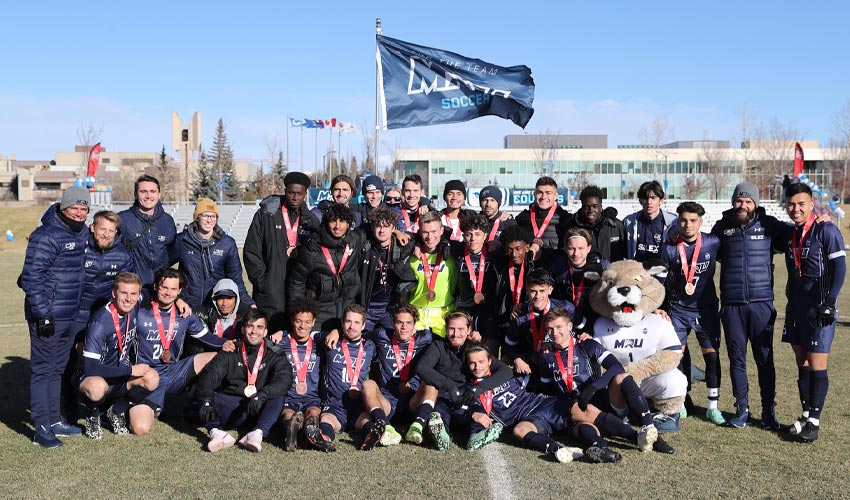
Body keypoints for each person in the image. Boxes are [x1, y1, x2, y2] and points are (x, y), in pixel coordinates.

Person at [710, 182, 795, 429]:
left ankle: (769, 412)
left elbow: (800, 231)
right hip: (732, 305)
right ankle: (742, 409)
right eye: (739, 200)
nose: (743, 205)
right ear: (733, 202)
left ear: (755, 203)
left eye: (748, 201)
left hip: (761, 305)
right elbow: (702, 248)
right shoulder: (721, 227)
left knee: (764, 359)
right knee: (737, 359)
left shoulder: (770, 225)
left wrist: (819, 220)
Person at [539, 307, 669, 455]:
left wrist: (593, 388)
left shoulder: (587, 344)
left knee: (622, 377)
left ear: (569, 326)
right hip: (577, 411)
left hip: (604, 401)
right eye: (550, 329)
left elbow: (616, 366)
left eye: (558, 327)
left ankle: (649, 427)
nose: (554, 333)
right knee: (584, 428)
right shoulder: (546, 356)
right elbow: (547, 390)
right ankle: (618, 443)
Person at [20, 186, 90, 447]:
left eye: (84, 209)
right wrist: (42, 314)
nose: (80, 213)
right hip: (48, 317)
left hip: (69, 315)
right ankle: (41, 429)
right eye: (75, 208)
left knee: (57, 370)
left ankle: (54, 420)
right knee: (42, 370)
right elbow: (31, 277)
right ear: (64, 208)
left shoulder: (82, 232)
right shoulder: (46, 235)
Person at [781, 183, 845, 442]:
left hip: (820, 308)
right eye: (791, 204)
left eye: (801, 204)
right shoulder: (790, 234)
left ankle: (815, 422)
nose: (796, 209)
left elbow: (840, 268)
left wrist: (829, 301)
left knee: (818, 364)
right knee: (802, 362)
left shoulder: (826, 229)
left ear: (812, 204)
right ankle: (806, 414)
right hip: (795, 308)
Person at [130, 268, 227, 435]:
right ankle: (139, 403)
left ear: (180, 291)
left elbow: (207, 337)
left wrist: (230, 343)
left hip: (173, 372)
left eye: (173, 289)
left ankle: (196, 400)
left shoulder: (185, 314)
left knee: (217, 357)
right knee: (140, 428)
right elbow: (133, 293)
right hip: (145, 376)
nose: (168, 293)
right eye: (164, 287)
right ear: (155, 286)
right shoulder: (140, 309)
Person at [64, 210, 135, 423]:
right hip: (76, 316)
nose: (106, 234)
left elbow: (129, 285)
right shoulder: (79, 247)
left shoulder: (123, 254)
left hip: (105, 319)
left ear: (116, 232)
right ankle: (69, 412)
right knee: (69, 364)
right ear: (92, 228)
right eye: (102, 229)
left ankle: (101, 409)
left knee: (104, 361)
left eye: (110, 230)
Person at [660, 202, 725, 425]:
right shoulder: (669, 248)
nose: (688, 225)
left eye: (693, 220)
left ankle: (712, 407)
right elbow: (661, 281)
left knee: (711, 354)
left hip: (705, 309)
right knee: (677, 356)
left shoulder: (712, 242)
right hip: (678, 310)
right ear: (678, 222)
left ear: (701, 221)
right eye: (684, 220)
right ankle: (681, 403)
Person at [197, 309, 293, 452]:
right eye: (250, 326)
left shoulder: (275, 353)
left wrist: (263, 394)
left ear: (266, 331)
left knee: (278, 394)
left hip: (258, 406)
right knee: (202, 395)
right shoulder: (231, 349)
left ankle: (257, 434)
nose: (254, 331)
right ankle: (217, 433)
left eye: (259, 327)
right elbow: (210, 375)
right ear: (243, 329)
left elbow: (284, 379)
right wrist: (206, 399)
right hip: (233, 406)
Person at [77, 273, 159, 440]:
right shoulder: (100, 322)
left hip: (120, 375)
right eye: (124, 293)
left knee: (152, 378)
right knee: (96, 387)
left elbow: (154, 289)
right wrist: (130, 369)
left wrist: (179, 301)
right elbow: (90, 367)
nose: (129, 299)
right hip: (95, 376)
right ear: (114, 293)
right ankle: (93, 415)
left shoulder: (134, 304)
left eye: (133, 294)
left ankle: (116, 411)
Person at [415, 311, 512, 451]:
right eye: (451, 329)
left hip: (469, 396)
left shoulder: (473, 348)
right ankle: (442, 435)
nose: (455, 334)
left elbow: (506, 371)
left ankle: (476, 436)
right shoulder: (438, 346)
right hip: (445, 396)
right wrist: (449, 386)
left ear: (469, 330)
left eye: (461, 329)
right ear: (446, 329)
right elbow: (421, 367)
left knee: (477, 411)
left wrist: (478, 388)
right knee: (440, 411)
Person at [244, 171, 320, 332]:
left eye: (299, 194)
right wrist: (262, 282)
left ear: (305, 194)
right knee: (270, 336)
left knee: (294, 336)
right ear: (285, 191)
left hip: (299, 290)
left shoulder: (311, 222)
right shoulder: (266, 215)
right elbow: (252, 251)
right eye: (291, 193)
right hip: (271, 290)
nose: (295, 197)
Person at [312, 305, 383, 451]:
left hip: (359, 404)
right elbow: (310, 334)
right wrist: (333, 331)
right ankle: (324, 439)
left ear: (363, 325)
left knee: (366, 421)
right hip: (335, 404)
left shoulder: (370, 346)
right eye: (348, 321)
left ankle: (371, 436)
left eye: (357, 323)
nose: (352, 327)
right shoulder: (330, 340)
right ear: (342, 323)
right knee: (326, 420)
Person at [289, 203, 366, 330]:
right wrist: (298, 313)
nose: (337, 226)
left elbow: (377, 230)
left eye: (342, 221)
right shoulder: (312, 248)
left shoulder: (355, 240)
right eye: (333, 221)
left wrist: (398, 233)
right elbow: (296, 282)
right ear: (326, 223)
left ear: (348, 224)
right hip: (319, 315)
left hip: (346, 315)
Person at [175, 198, 254, 311]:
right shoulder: (182, 240)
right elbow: (163, 269)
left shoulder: (227, 243)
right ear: (197, 218)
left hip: (216, 306)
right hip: (187, 306)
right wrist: (176, 298)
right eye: (205, 215)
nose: (209, 220)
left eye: (213, 216)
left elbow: (235, 278)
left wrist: (247, 301)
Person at [272, 297, 328, 452]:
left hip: (311, 396)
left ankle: (310, 430)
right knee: (287, 414)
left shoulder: (318, 343)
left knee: (313, 412)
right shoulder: (281, 342)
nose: (303, 326)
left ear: (314, 321)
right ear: (292, 320)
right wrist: (281, 333)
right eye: (298, 321)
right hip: (288, 395)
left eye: (307, 322)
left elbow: (332, 336)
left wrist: (335, 331)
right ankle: (291, 431)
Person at [504, 269, 580, 378]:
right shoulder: (519, 315)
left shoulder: (566, 307)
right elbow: (508, 346)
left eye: (542, 290)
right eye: (533, 291)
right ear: (527, 290)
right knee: (505, 363)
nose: (537, 296)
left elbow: (583, 327)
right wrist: (517, 358)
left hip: (564, 357)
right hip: (531, 360)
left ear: (550, 289)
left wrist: (585, 334)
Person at [359, 207, 417, 335]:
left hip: (389, 309)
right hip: (367, 307)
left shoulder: (402, 246)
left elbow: (424, 239)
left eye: (386, 226)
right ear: (372, 227)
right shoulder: (365, 247)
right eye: (378, 226)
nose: (382, 230)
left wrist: (416, 246)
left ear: (393, 228)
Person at [450, 213, 503, 353]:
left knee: (487, 353)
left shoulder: (495, 253)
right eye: (468, 234)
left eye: (477, 234)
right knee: (463, 353)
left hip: (489, 312)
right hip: (464, 311)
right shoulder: (456, 252)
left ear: (485, 235)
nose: (472, 239)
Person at [118, 175, 177, 288]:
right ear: (136, 194)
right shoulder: (123, 219)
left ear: (159, 194)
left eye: (152, 191)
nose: (148, 195)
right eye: (143, 191)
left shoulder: (167, 221)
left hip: (160, 288)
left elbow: (172, 251)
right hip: (132, 288)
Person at [542, 228, 605, 330]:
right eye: (572, 248)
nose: (576, 253)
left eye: (581, 248)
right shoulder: (557, 267)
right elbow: (542, 291)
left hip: (595, 321)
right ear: (565, 248)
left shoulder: (602, 267)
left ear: (589, 248)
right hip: (567, 319)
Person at [408, 211, 458, 337]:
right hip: (416, 313)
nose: (430, 237)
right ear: (420, 233)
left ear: (441, 231)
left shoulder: (453, 254)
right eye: (425, 232)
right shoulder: (411, 254)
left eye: (434, 231)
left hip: (444, 314)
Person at [190, 279, 254, 356]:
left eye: (229, 298)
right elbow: (199, 347)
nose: (225, 303)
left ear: (236, 299)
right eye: (220, 298)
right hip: (210, 358)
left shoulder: (247, 315)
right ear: (214, 299)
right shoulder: (201, 314)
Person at [623, 180, 678, 262]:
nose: (649, 202)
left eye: (653, 198)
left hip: (663, 271)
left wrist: (676, 229)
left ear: (661, 201)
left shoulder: (673, 221)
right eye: (645, 198)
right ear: (640, 201)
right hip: (638, 271)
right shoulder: (629, 222)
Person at [568, 185, 626, 262]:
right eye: (587, 207)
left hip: (611, 273)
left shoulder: (616, 226)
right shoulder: (573, 229)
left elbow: (626, 254)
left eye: (595, 206)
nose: (591, 210)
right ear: (582, 207)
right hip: (585, 273)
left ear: (601, 207)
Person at [515, 176, 572, 253]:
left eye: (548, 193)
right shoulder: (522, 218)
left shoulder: (565, 218)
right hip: (530, 264)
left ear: (556, 196)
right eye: (540, 192)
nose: (543, 197)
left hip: (554, 263)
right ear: (535, 194)